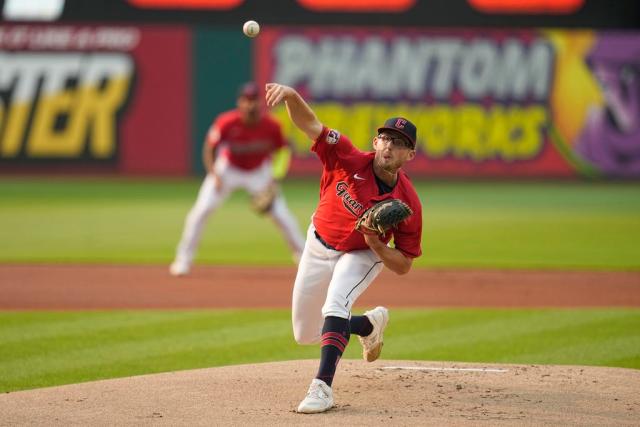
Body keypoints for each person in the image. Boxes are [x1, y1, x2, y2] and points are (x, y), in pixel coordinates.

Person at [265, 83, 423, 413]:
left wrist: (375, 244)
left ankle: (322, 387)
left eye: (401, 144)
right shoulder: (347, 156)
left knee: (335, 304)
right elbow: (312, 126)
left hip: (362, 253)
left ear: (410, 155)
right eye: (388, 139)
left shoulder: (408, 203)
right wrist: (292, 97)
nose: (391, 147)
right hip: (318, 243)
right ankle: (368, 325)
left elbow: (404, 264)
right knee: (304, 333)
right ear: (376, 142)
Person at [170, 82, 305, 276]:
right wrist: (214, 174)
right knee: (200, 211)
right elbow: (209, 147)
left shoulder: (271, 125)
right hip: (228, 169)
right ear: (240, 102)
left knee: (282, 215)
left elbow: (283, 151)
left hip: (259, 172)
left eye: (254, 100)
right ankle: (183, 259)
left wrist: (275, 177)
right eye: (246, 100)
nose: (250, 104)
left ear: (261, 102)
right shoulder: (226, 122)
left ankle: (302, 257)